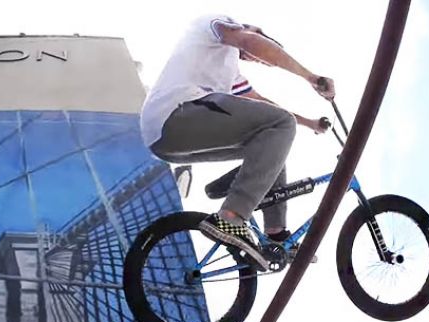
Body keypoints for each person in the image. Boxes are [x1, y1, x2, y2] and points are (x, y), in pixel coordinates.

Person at [140, 14, 335, 270]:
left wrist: (309, 123)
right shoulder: (219, 25)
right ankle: (231, 215)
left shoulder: (230, 74)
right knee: (280, 126)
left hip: (167, 141)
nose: (257, 60)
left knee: (273, 147)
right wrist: (311, 77)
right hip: (175, 114)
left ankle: (275, 235)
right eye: (260, 57)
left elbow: (264, 106)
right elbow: (249, 41)